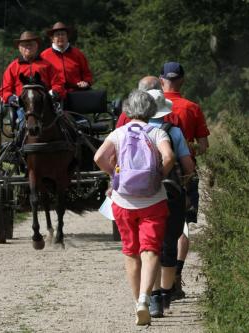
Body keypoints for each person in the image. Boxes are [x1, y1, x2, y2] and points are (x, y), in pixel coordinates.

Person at [94, 89, 174, 326]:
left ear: (128, 110)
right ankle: (144, 299)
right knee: (150, 250)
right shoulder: (157, 132)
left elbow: (99, 157)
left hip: (123, 202)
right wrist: (160, 175)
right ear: (151, 111)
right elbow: (168, 157)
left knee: (131, 252)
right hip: (153, 200)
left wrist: (114, 176)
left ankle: (136, 302)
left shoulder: (118, 133)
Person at [160, 62, 210, 299]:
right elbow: (203, 147)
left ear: (162, 81)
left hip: (154, 174)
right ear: (183, 80)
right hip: (184, 173)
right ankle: (176, 277)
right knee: (182, 227)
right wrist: (185, 150)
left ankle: (157, 283)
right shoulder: (192, 108)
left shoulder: (151, 108)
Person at [144, 89, 196, 318]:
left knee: (149, 246)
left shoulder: (133, 131)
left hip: (142, 195)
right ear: (165, 111)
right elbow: (188, 167)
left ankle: (153, 297)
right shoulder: (173, 132)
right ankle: (165, 296)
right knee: (168, 245)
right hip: (170, 193)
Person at [0, 31, 65, 129]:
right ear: (19, 48)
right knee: (22, 127)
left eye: (31, 45)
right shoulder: (13, 66)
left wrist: (54, 92)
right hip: (23, 107)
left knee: (62, 125)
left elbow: (59, 83)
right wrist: (11, 98)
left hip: (46, 105)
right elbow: (4, 89)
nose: (28, 47)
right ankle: (20, 143)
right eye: (25, 45)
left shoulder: (47, 65)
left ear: (36, 46)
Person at [40, 22, 93, 92]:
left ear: (67, 36)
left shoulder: (78, 54)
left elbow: (87, 73)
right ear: (52, 38)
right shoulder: (44, 56)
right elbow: (41, 77)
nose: (60, 37)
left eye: (63, 34)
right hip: (53, 95)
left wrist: (86, 82)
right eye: (57, 35)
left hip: (77, 92)